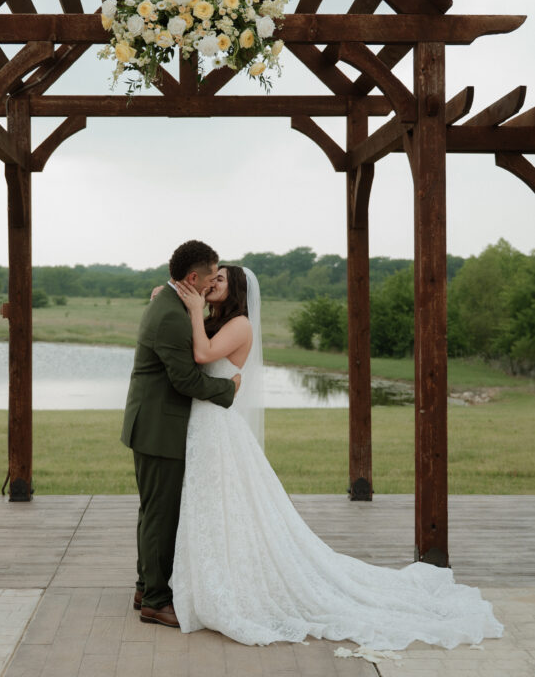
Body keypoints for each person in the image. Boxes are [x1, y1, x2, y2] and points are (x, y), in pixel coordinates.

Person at [169, 264, 504, 652]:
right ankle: (204, 577)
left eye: (221, 279)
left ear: (237, 290)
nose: (212, 283)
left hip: (217, 423)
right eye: (211, 277)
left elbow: (202, 353)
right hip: (205, 419)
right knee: (211, 504)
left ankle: (227, 586)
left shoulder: (240, 324)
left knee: (225, 502)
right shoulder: (213, 320)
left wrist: (194, 310)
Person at [120, 240, 241, 629]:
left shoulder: (171, 303)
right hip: (159, 427)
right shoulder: (171, 315)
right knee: (160, 515)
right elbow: (186, 379)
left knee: (152, 512)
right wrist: (228, 389)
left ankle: (145, 587)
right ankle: (156, 601)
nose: (212, 283)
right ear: (192, 277)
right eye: (211, 277)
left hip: (154, 423)